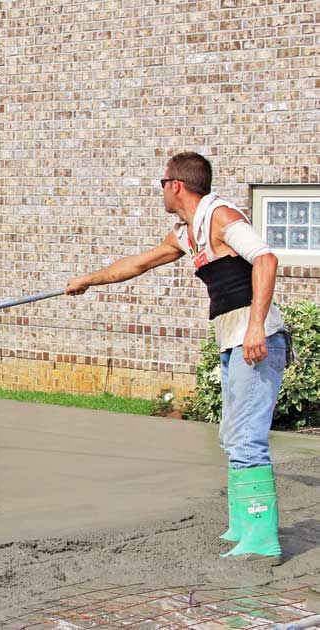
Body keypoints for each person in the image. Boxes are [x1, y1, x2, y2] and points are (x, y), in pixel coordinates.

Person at [66, 152, 288, 564]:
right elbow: (137, 264)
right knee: (231, 437)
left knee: (247, 440)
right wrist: (87, 281)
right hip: (233, 341)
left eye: (162, 183)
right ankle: (243, 526)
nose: (161, 190)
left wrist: (256, 325)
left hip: (257, 340)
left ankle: (261, 540)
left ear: (176, 186)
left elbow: (266, 258)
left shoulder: (220, 216)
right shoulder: (189, 232)